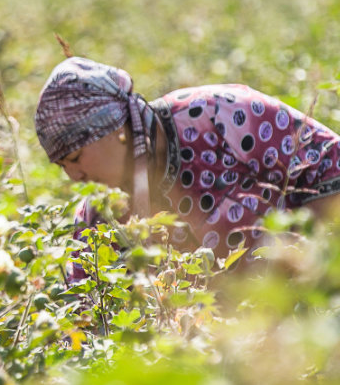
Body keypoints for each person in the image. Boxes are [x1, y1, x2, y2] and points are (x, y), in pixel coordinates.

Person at [35, 56, 340, 275]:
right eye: (61, 166)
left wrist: (306, 264)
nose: (75, 176)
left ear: (114, 127)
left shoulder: (219, 115)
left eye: (75, 158)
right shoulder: (98, 220)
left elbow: (331, 161)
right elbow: (86, 317)